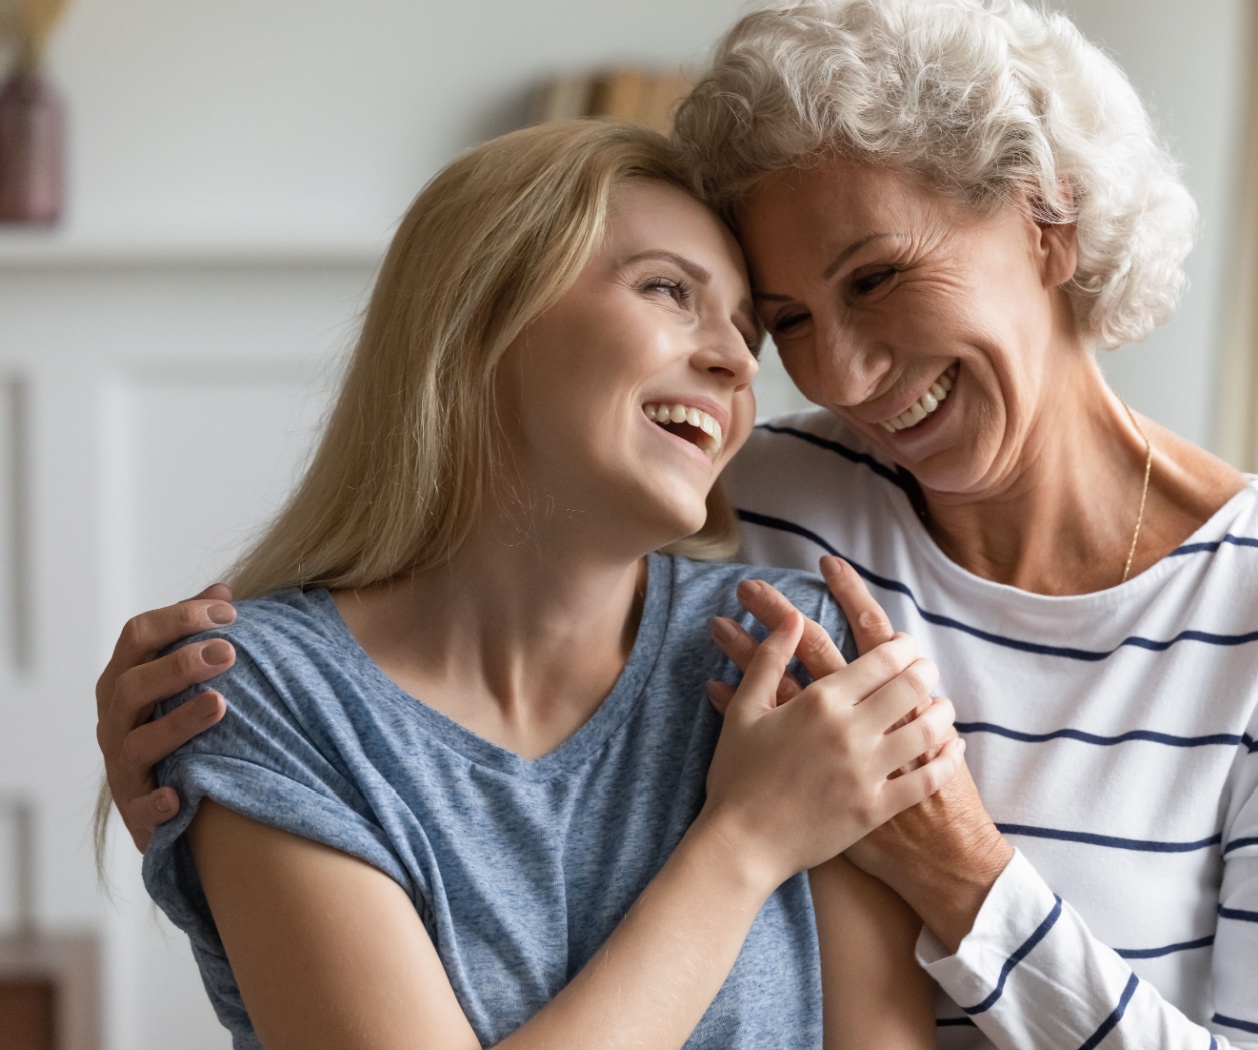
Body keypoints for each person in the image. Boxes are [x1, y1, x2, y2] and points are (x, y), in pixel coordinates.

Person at [98, 1, 1258, 1048]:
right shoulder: (763, 522)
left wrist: (961, 872)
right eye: (785, 321)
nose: (827, 375)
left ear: (1046, 218)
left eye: (878, 277)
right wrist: (199, 737)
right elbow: (468, 575)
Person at [115, 118, 965, 1050]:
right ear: (482, 313)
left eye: (748, 331)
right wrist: (745, 842)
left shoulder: (790, 654)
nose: (733, 360)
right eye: (668, 290)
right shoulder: (272, 698)